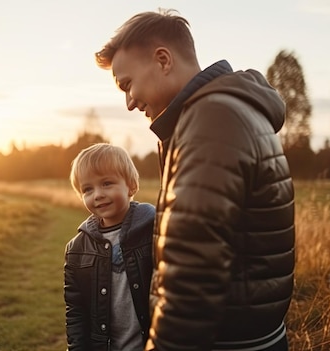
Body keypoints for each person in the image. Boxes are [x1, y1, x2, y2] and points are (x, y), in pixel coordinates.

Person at [95, 9, 295, 351]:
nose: (128, 103)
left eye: (127, 84)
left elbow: (192, 276)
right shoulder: (223, 110)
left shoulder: (212, 118)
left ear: (162, 60)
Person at [64, 143, 156, 351]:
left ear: (131, 186)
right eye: (88, 189)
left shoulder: (154, 231)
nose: (97, 194)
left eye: (106, 183)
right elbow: (76, 311)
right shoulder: (76, 250)